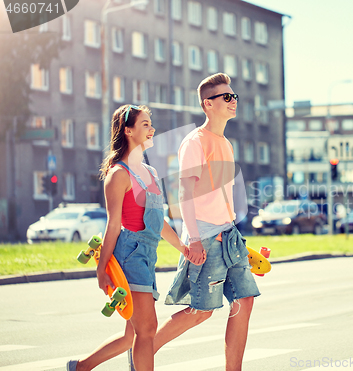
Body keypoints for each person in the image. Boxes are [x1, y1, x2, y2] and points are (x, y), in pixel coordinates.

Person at [67, 104, 189, 371]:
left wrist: (183, 247)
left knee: (131, 335)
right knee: (148, 329)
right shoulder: (118, 175)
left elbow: (159, 222)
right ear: (128, 130)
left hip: (147, 256)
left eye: (150, 123)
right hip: (129, 254)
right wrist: (102, 269)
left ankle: (79, 367)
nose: (152, 128)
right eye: (145, 124)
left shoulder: (152, 173)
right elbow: (113, 226)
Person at [152, 73, 260, 371]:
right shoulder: (195, 142)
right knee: (201, 311)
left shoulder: (224, 142)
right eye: (226, 97)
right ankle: (143, 353)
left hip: (229, 234)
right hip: (206, 235)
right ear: (207, 105)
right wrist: (194, 238)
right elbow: (183, 192)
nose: (233, 101)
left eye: (234, 95)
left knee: (245, 300)